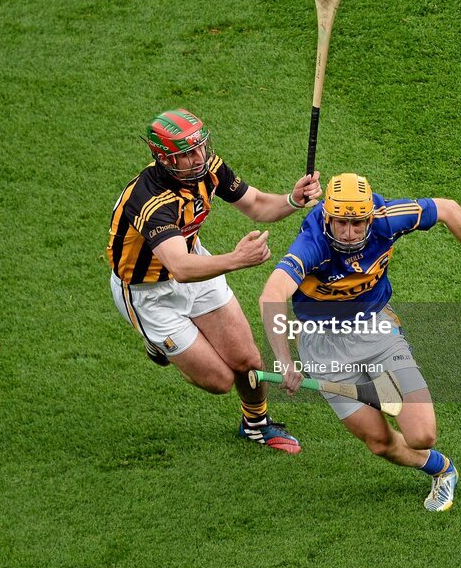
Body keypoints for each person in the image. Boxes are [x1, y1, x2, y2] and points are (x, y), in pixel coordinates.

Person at [258, 173, 461, 509]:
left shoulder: (387, 218)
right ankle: (442, 469)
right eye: (340, 224)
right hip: (322, 346)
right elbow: (271, 296)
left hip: (376, 330)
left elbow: (448, 209)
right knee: (378, 442)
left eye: (358, 224)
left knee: (422, 435)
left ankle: (384, 389)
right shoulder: (312, 243)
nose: (349, 234)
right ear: (328, 217)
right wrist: (285, 361)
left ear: (369, 217)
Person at [107, 108, 321, 454]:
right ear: (162, 159)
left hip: (197, 264)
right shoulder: (148, 200)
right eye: (186, 154)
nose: (197, 158)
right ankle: (158, 344)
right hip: (149, 293)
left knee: (248, 362)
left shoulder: (208, 168)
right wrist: (238, 260)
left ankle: (256, 425)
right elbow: (180, 267)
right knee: (220, 380)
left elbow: (256, 205)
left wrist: (293, 200)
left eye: (200, 148)